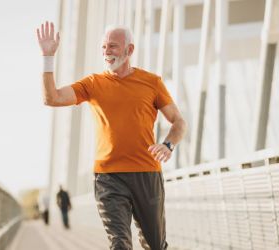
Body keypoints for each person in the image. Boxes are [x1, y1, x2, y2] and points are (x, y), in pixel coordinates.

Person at [36, 21, 186, 250]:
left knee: (155, 245)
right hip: (109, 177)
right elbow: (52, 98)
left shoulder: (152, 82)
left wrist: (168, 144)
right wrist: (48, 58)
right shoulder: (93, 84)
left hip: (147, 173)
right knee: (119, 243)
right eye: (104, 46)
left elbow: (178, 122)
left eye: (113, 46)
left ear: (130, 50)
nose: (107, 51)